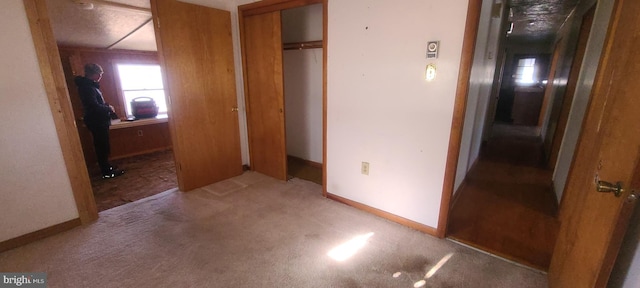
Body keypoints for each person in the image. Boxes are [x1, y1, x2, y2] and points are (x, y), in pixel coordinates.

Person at [75, 63, 124, 179]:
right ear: (94, 74)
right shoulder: (87, 87)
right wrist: (109, 108)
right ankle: (106, 172)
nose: (100, 76)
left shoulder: (90, 86)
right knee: (102, 146)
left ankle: (106, 166)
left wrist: (105, 105)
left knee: (103, 145)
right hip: (97, 121)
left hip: (98, 120)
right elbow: (93, 106)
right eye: (100, 74)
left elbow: (96, 104)